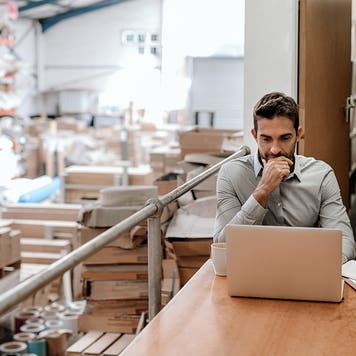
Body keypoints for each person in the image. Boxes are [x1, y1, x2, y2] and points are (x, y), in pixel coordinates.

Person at [213, 92, 356, 263]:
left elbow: (345, 243)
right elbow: (223, 247)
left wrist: (319, 267)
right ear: (254, 135)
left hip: (305, 271)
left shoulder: (322, 175)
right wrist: (262, 192)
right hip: (252, 271)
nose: (275, 149)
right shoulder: (231, 174)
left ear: (298, 135)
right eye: (266, 139)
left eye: (285, 138)